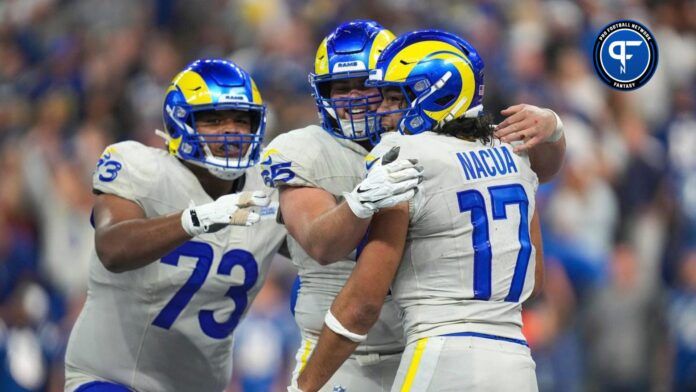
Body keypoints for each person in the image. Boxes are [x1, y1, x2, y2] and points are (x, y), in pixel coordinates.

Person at [263, 21, 564, 392]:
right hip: (513, 358)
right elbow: (533, 283)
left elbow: (362, 304)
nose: (371, 103)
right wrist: (358, 204)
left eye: (388, 95)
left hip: (433, 350)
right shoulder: (510, 155)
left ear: (432, 96)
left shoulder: (406, 151)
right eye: (341, 88)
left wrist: (303, 387)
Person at [63, 59, 288, 392]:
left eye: (243, 120)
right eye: (214, 120)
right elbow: (112, 247)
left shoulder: (269, 186)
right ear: (181, 123)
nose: (232, 131)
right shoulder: (141, 167)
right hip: (110, 378)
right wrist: (195, 220)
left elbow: (324, 249)